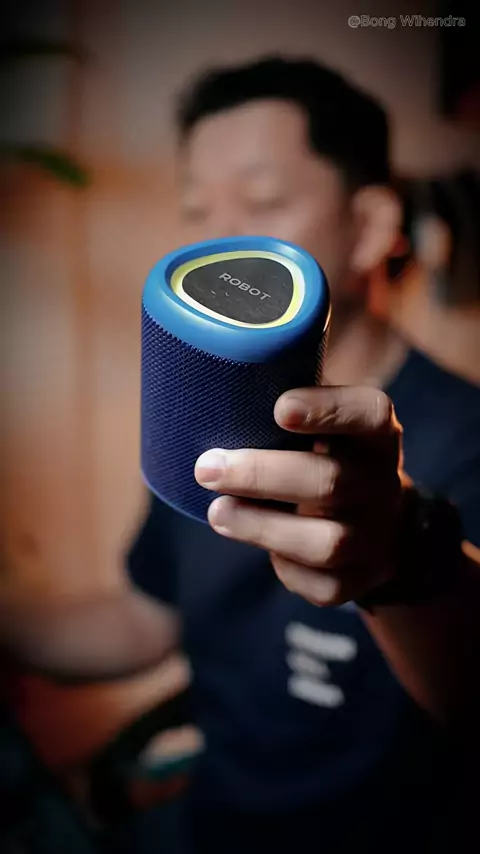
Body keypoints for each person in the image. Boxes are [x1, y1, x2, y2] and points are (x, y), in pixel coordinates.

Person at [2, 57, 480, 853]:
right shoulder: (202, 416)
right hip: (207, 825)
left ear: (370, 226)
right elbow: (142, 622)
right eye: (196, 209)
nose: (220, 238)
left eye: (262, 203)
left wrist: (403, 555)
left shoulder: (466, 436)